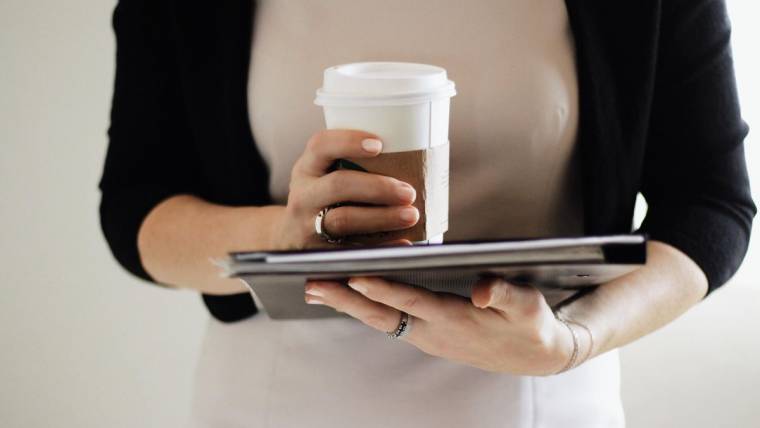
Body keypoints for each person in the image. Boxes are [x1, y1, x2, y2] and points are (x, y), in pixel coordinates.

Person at [99, 0, 755, 426]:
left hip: (538, 394)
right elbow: (138, 212)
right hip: (277, 399)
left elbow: (709, 205)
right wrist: (283, 235)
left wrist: (578, 339)